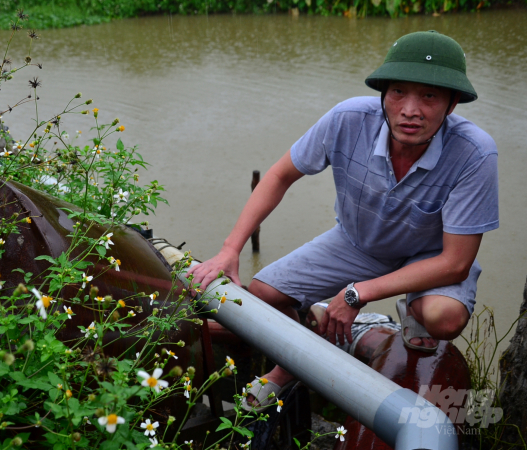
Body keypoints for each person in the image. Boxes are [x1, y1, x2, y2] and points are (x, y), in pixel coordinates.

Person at [187, 30, 499, 411]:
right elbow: (280, 175)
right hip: (357, 243)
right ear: (383, 93)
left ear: (452, 105)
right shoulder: (348, 119)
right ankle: (311, 344)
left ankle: (288, 371)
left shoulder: (474, 153)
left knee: (443, 318)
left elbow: (456, 262)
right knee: (264, 294)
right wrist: (230, 249)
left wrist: (357, 293)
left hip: (430, 258)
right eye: (398, 91)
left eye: (429, 96)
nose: (410, 110)